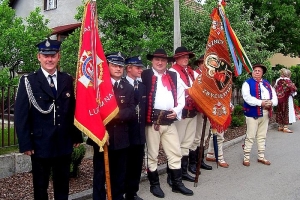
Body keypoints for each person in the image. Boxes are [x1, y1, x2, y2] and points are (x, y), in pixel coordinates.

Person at [14, 38, 83, 200]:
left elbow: (71, 109)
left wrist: (76, 135)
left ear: (58, 56)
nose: (49, 59)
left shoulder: (67, 79)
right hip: (40, 144)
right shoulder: (28, 81)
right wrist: (25, 143)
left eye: (53, 55)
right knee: (40, 186)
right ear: (39, 57)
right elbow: (21, 115)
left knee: (62, 185)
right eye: (46, 56)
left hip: (63, 142)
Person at [141, 48, 193, 198]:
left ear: (166, 62)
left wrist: (177, 110)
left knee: (175, 151)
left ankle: (177, 184)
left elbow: (182, 94)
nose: (160, 62)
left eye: (163, 60)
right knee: (152, 154)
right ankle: (154, 185)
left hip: (169, 121)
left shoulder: (173, 75)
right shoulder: (145, 75)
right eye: (157, 59)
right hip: (153, 122)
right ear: (152, 61)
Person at [87, 52, 135, 200]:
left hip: (121, 137)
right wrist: (101, 132)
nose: (118, 69)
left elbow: (132, 111)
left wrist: (115, 114)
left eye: (120, 66)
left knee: (119, 175)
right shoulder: (98, 87)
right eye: (114, 65)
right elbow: (92, 111)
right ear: (107, 66)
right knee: (100, 175)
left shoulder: (128, 87)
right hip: (102, 137)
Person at [169, 46, 198, 182]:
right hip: (182, 112)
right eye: (183, 57)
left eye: (187, 57)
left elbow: (199, 85)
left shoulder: (190, 72)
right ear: (177, 58)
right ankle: (173, 175)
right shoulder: (172, 71)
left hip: (192, 111)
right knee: (177, 143)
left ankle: (184, 171)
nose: (186, 59)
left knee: (187, 142)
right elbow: (185, 90)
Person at [242, 64, 278, 166]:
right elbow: (247, 98)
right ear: (252, 72)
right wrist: (260, 103)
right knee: (250, 136)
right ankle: (246, 157)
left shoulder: (267, 84)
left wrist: (271, 103)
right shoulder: (247, 83)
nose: (257, 72)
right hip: (252, 113)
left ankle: (261, 156)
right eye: (255, 70)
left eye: (259, 71)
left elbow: (274, 96)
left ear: (262, 73)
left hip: (265, 112)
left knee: (262, 135)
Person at [124, 56, 146, 200]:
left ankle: (132, 192)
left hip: (139, 132)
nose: (140, 70)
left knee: (137, 164)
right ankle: (122, 191)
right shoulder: (122, 85)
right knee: (125, 164)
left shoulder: (142, 86)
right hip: (125, 132)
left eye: (141, 67)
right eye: (137, 67)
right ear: (129, 68)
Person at [188, 55, 212, 174]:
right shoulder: (194, 75)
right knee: (196, 137)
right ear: (199, 64)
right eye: (203, 63)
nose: (205, 65)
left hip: (208, 111)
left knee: (205, 135)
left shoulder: (211, 76)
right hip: (198, 110)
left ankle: (200, 160)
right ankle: (192, 163)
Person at [206, 103, 234, 168]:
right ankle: (220, 158)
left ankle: (210, 154)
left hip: (216, 108)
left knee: (215, 134)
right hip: (214, 110)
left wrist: (229, 105)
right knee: (219, 136)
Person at [274, 68, 297, 133]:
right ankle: (285, 127)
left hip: (279, 98)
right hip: (287, 98)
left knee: (280, 111)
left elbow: (275, 88)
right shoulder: (287, 80)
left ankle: (280, 126)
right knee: (287, 111)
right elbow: (292, 89)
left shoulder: (277, 80)